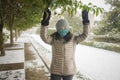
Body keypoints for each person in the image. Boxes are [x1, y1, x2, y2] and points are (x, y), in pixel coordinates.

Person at [40, 8, 90, 80]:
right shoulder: (53, 39)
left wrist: (86, 22)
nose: (63, 29)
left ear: (68, 28)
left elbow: (85, 35)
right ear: (57, 29)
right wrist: (45, 23)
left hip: (69, 71)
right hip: (55, 71)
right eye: (60, 28)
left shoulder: (74, 39)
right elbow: (44, 37)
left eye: (65, 27)